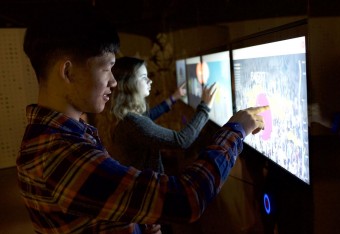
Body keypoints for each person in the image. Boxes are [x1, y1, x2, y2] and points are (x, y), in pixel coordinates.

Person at [16, 7, 268, 234]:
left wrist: (135, 225)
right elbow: (188, 199)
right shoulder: (59, 155)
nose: (113, 82)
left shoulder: (62, 135)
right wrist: (237, 129)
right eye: (107, 69)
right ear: (68, 71)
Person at [92, 56, 216, 175]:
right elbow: (181, 141)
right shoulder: (132, 122)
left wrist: (174, 97)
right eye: (144, 77)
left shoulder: (122, 115)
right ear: (128, 84)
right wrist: (205, 107)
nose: (150, 81)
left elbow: (148, 116)